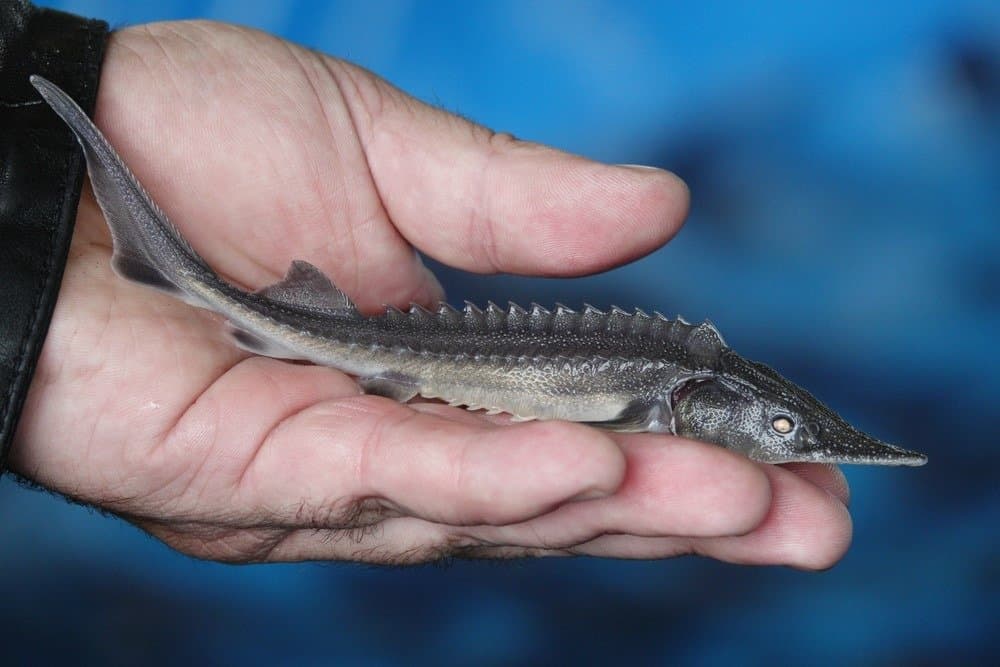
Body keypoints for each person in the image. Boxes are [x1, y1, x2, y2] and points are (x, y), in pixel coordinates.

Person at [0, 4, 851, 566]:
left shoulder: (679, 389)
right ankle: (163, 262)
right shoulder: (655, 393)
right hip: (370, 339)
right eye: (777, 422)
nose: (786, 433)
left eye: (786, 422)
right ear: (698, 399)